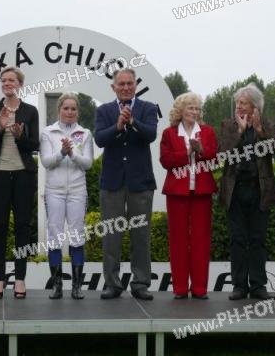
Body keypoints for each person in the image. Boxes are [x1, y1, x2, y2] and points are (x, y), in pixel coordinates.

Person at [94, 68, 158, 300]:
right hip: (112, 182)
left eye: (129, 83)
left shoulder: (148, 108)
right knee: (111, 236)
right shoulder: (104, 110)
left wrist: (132, 121)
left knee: (141, 235)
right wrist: (118, 126)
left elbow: (151, 134)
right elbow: (100, 139)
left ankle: (140, 283)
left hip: (141, 182)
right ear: (113, 87)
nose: (125, 87)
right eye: (121, 84)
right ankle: (112, 283)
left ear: (135, 85)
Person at [219, 83, 275, 301]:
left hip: (259, 190)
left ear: (255, 106)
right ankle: (239, 286)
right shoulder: (228, 125)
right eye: (237, 103)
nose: (239, 106)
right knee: (237, 239)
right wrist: (240, 131)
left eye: (243, 103)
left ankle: (258, 286)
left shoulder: (267, 124)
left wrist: (260, 131)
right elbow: (222, 153)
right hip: (235, 191)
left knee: (257, 239)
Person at [0, 67, 39, 299]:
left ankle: (20, 279)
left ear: (20, 84)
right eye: (4, 80)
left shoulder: (30, 111)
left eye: (12, 80)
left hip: (24, 175)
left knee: (23, 226)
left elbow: (34, 144)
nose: (7, 83)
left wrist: (19, 136)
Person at [159, 93, 217, 299]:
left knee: (201, 240)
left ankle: (200, 288)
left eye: (197, 108)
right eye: (191, 108)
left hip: (202, 192)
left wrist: (201, 150)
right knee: (178, 240)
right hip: (177, 192)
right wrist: (186, 153)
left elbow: (215, 159)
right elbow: (165, 160)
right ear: (180, 111)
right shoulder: (169, 133)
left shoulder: (208, 132)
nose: (195, 112)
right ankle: (180, 288)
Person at [40, 92, 93, 300]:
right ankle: (57, 286)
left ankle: (77, 287)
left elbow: (88, 164)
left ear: (78, 111)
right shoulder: (48, 132)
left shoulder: (85, 133)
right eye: (66, 108)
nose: (69, 112)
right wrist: (62, 153)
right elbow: (46, 162)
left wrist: (72, 154)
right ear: (59, 109)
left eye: (73, 109)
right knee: (54, 236)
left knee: (77, 235)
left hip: (78, 191)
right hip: (54, 191)